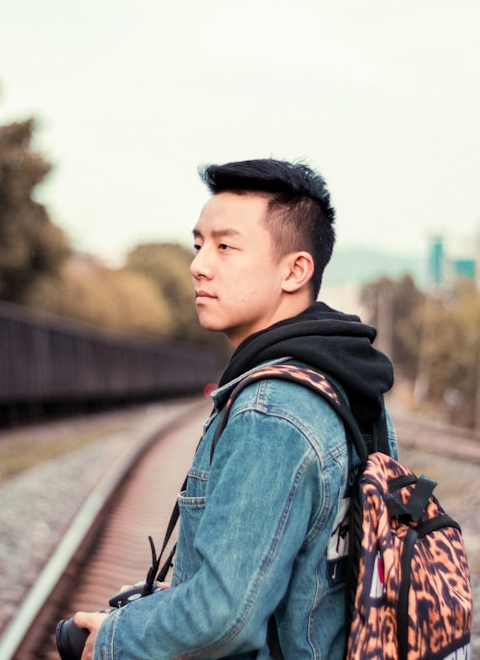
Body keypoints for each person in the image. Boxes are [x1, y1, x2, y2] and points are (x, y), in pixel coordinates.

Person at [71, 158, 396, 659]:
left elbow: (226, 617)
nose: (200, 264)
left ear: (295, 270)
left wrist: (113, 640)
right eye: (198, 244)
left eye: (225, 246)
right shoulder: (341, 380)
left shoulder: (272, 412)